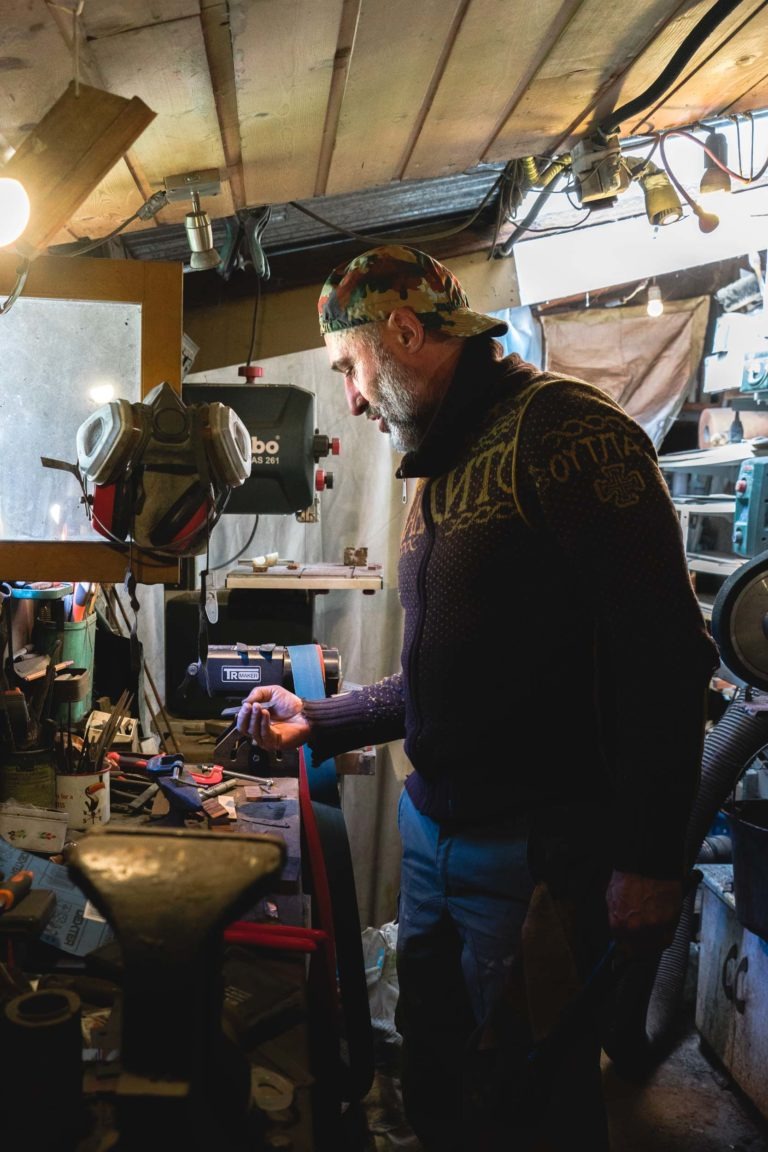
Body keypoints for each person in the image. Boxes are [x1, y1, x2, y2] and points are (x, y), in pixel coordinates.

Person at [235, 243, 720, 1150]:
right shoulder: (443, 463)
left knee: (526, 1096)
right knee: (434, 1069)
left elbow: (665, 660)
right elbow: (441, 679)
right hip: (435, 839)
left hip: (536, 858)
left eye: (351, 369)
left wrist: (652, 860)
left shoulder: (571, 435)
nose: (350, 398)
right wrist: (322, 720)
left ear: (407, 333)